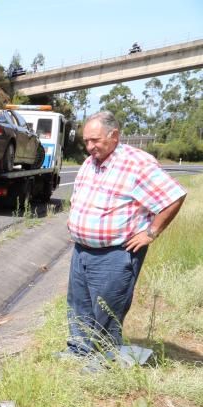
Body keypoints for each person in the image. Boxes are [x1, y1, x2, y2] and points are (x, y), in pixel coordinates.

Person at [63, 110, 186, 357]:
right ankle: (79, 352)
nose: (89, 147)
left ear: (115, 135)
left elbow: (174, 196)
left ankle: (104, 359)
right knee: (79, 305)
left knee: (106, 310)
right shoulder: (91, 162)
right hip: (82, 251)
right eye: (86, 141)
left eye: (95, 140)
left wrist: (151, 233)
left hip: (116, 254)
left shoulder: (137, 163)